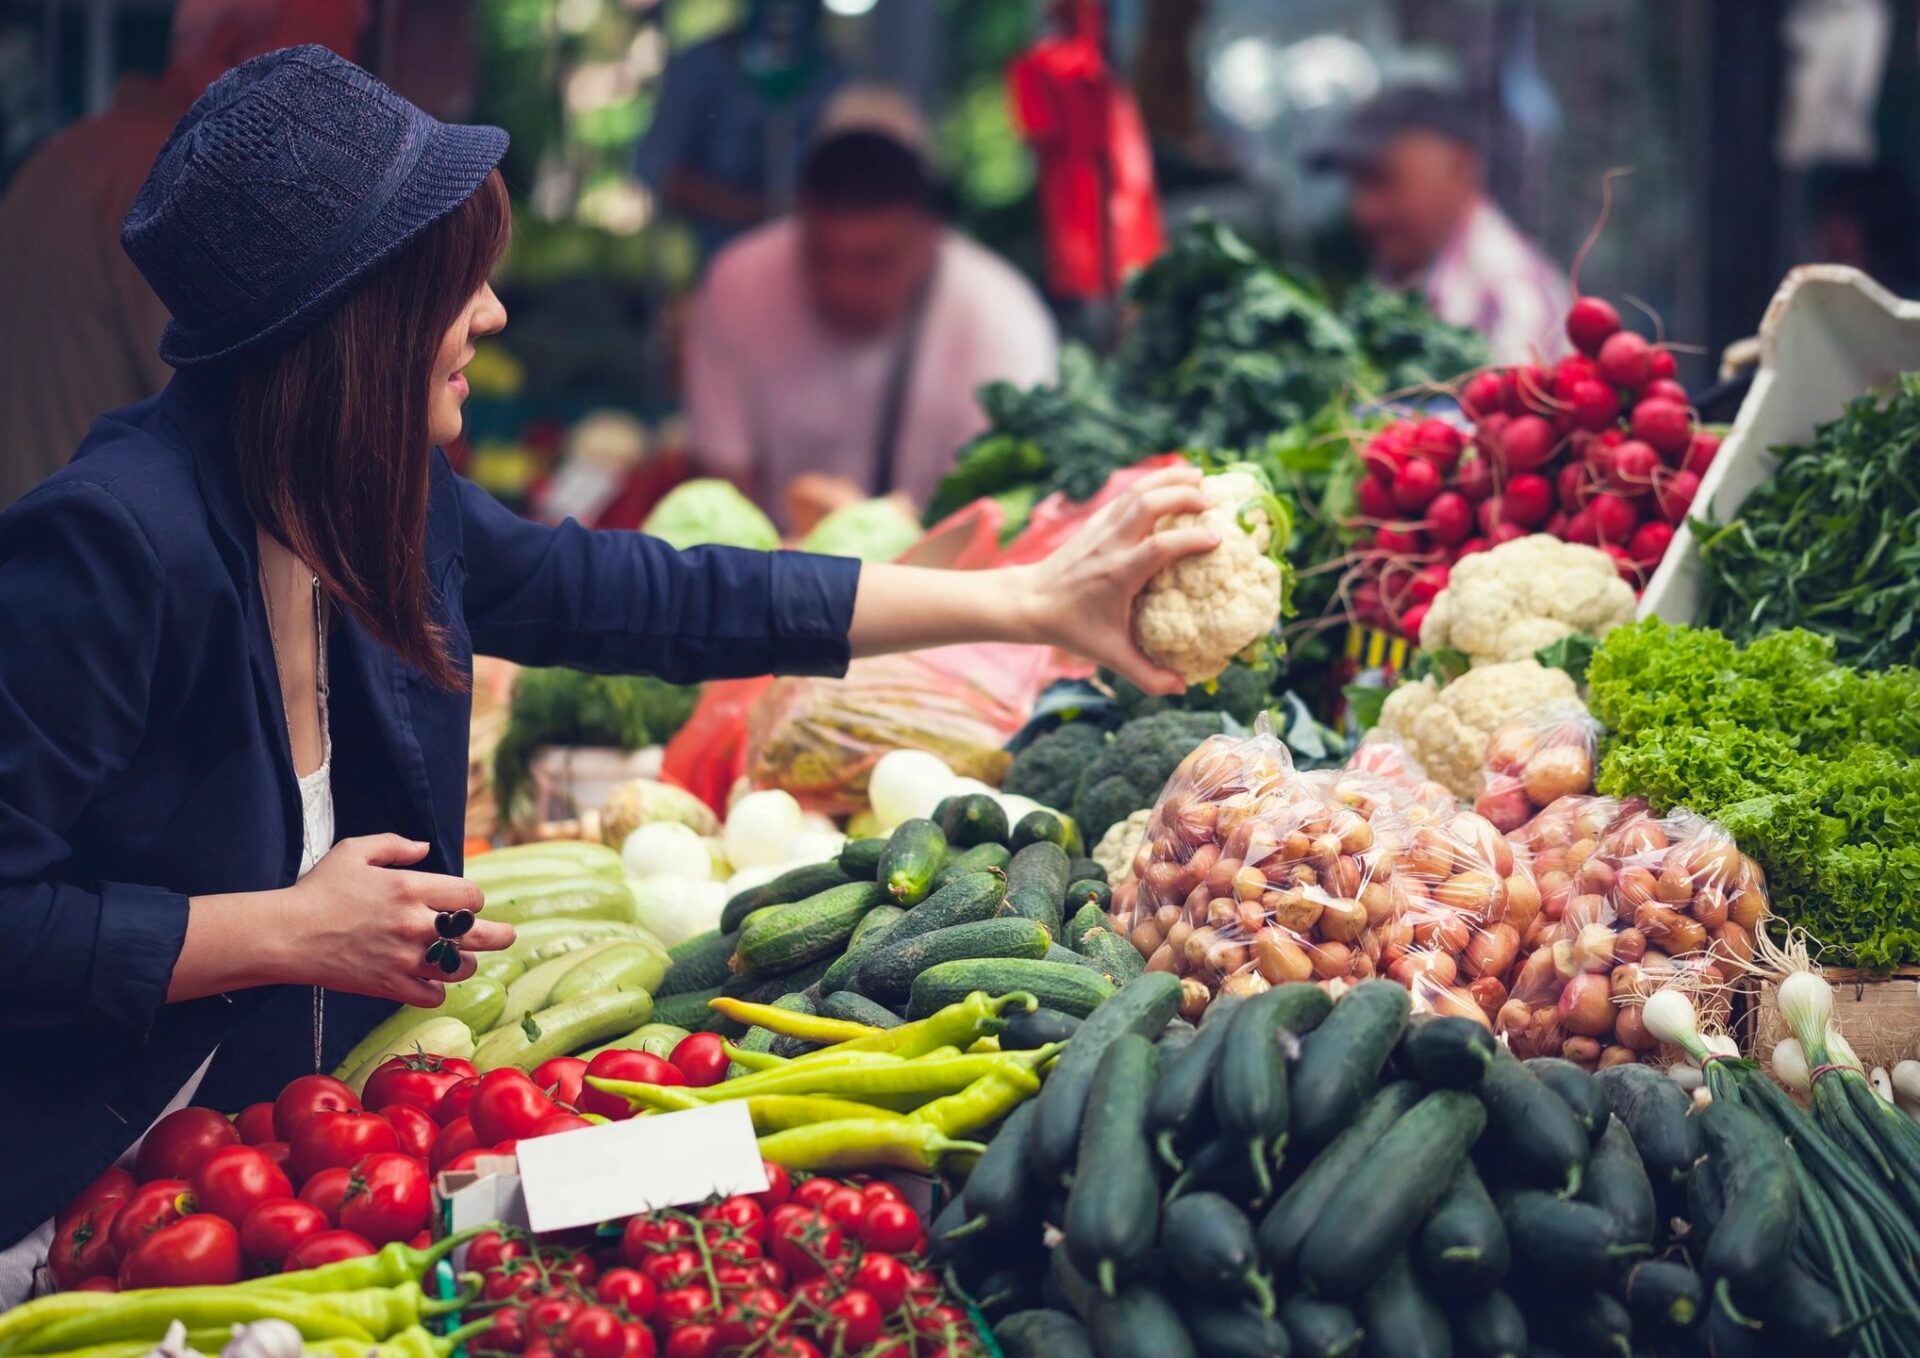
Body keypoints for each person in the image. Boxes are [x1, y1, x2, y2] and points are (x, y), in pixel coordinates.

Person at [0, 46, 1220, 1294]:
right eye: (455, 282)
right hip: (78, 1205)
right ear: (354, 323)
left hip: (272, 1185)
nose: (493, 312)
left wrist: (1031, 599)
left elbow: (667, 599)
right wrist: (280, 931)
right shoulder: (108, 547)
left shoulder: (376, 499)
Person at [0, 0, 365, 510]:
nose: (351, 113)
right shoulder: (189, 189)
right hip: (118, 568)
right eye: (331, 73)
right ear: (231, 48)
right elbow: (246, 443)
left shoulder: (59, 160)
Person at [685, 89, 1059, 525]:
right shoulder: (738, 284)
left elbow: (1009, 521)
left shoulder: (1004, 319)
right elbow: (723, 496)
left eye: (873, 263)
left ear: (930, 237)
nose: (842, 286)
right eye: (820, 255)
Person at [1311, 85, 1570, 365]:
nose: (1364, 211)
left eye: (1382, 179)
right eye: (1355, 185)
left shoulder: (1515, 302)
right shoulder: (1398, 277)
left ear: (1460, 165)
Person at [634, 0, 843, 260]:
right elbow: (657, 168)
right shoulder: (702, 68)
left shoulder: (837, 77)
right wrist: (754, 212)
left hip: (814, 267)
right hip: (719, 259)